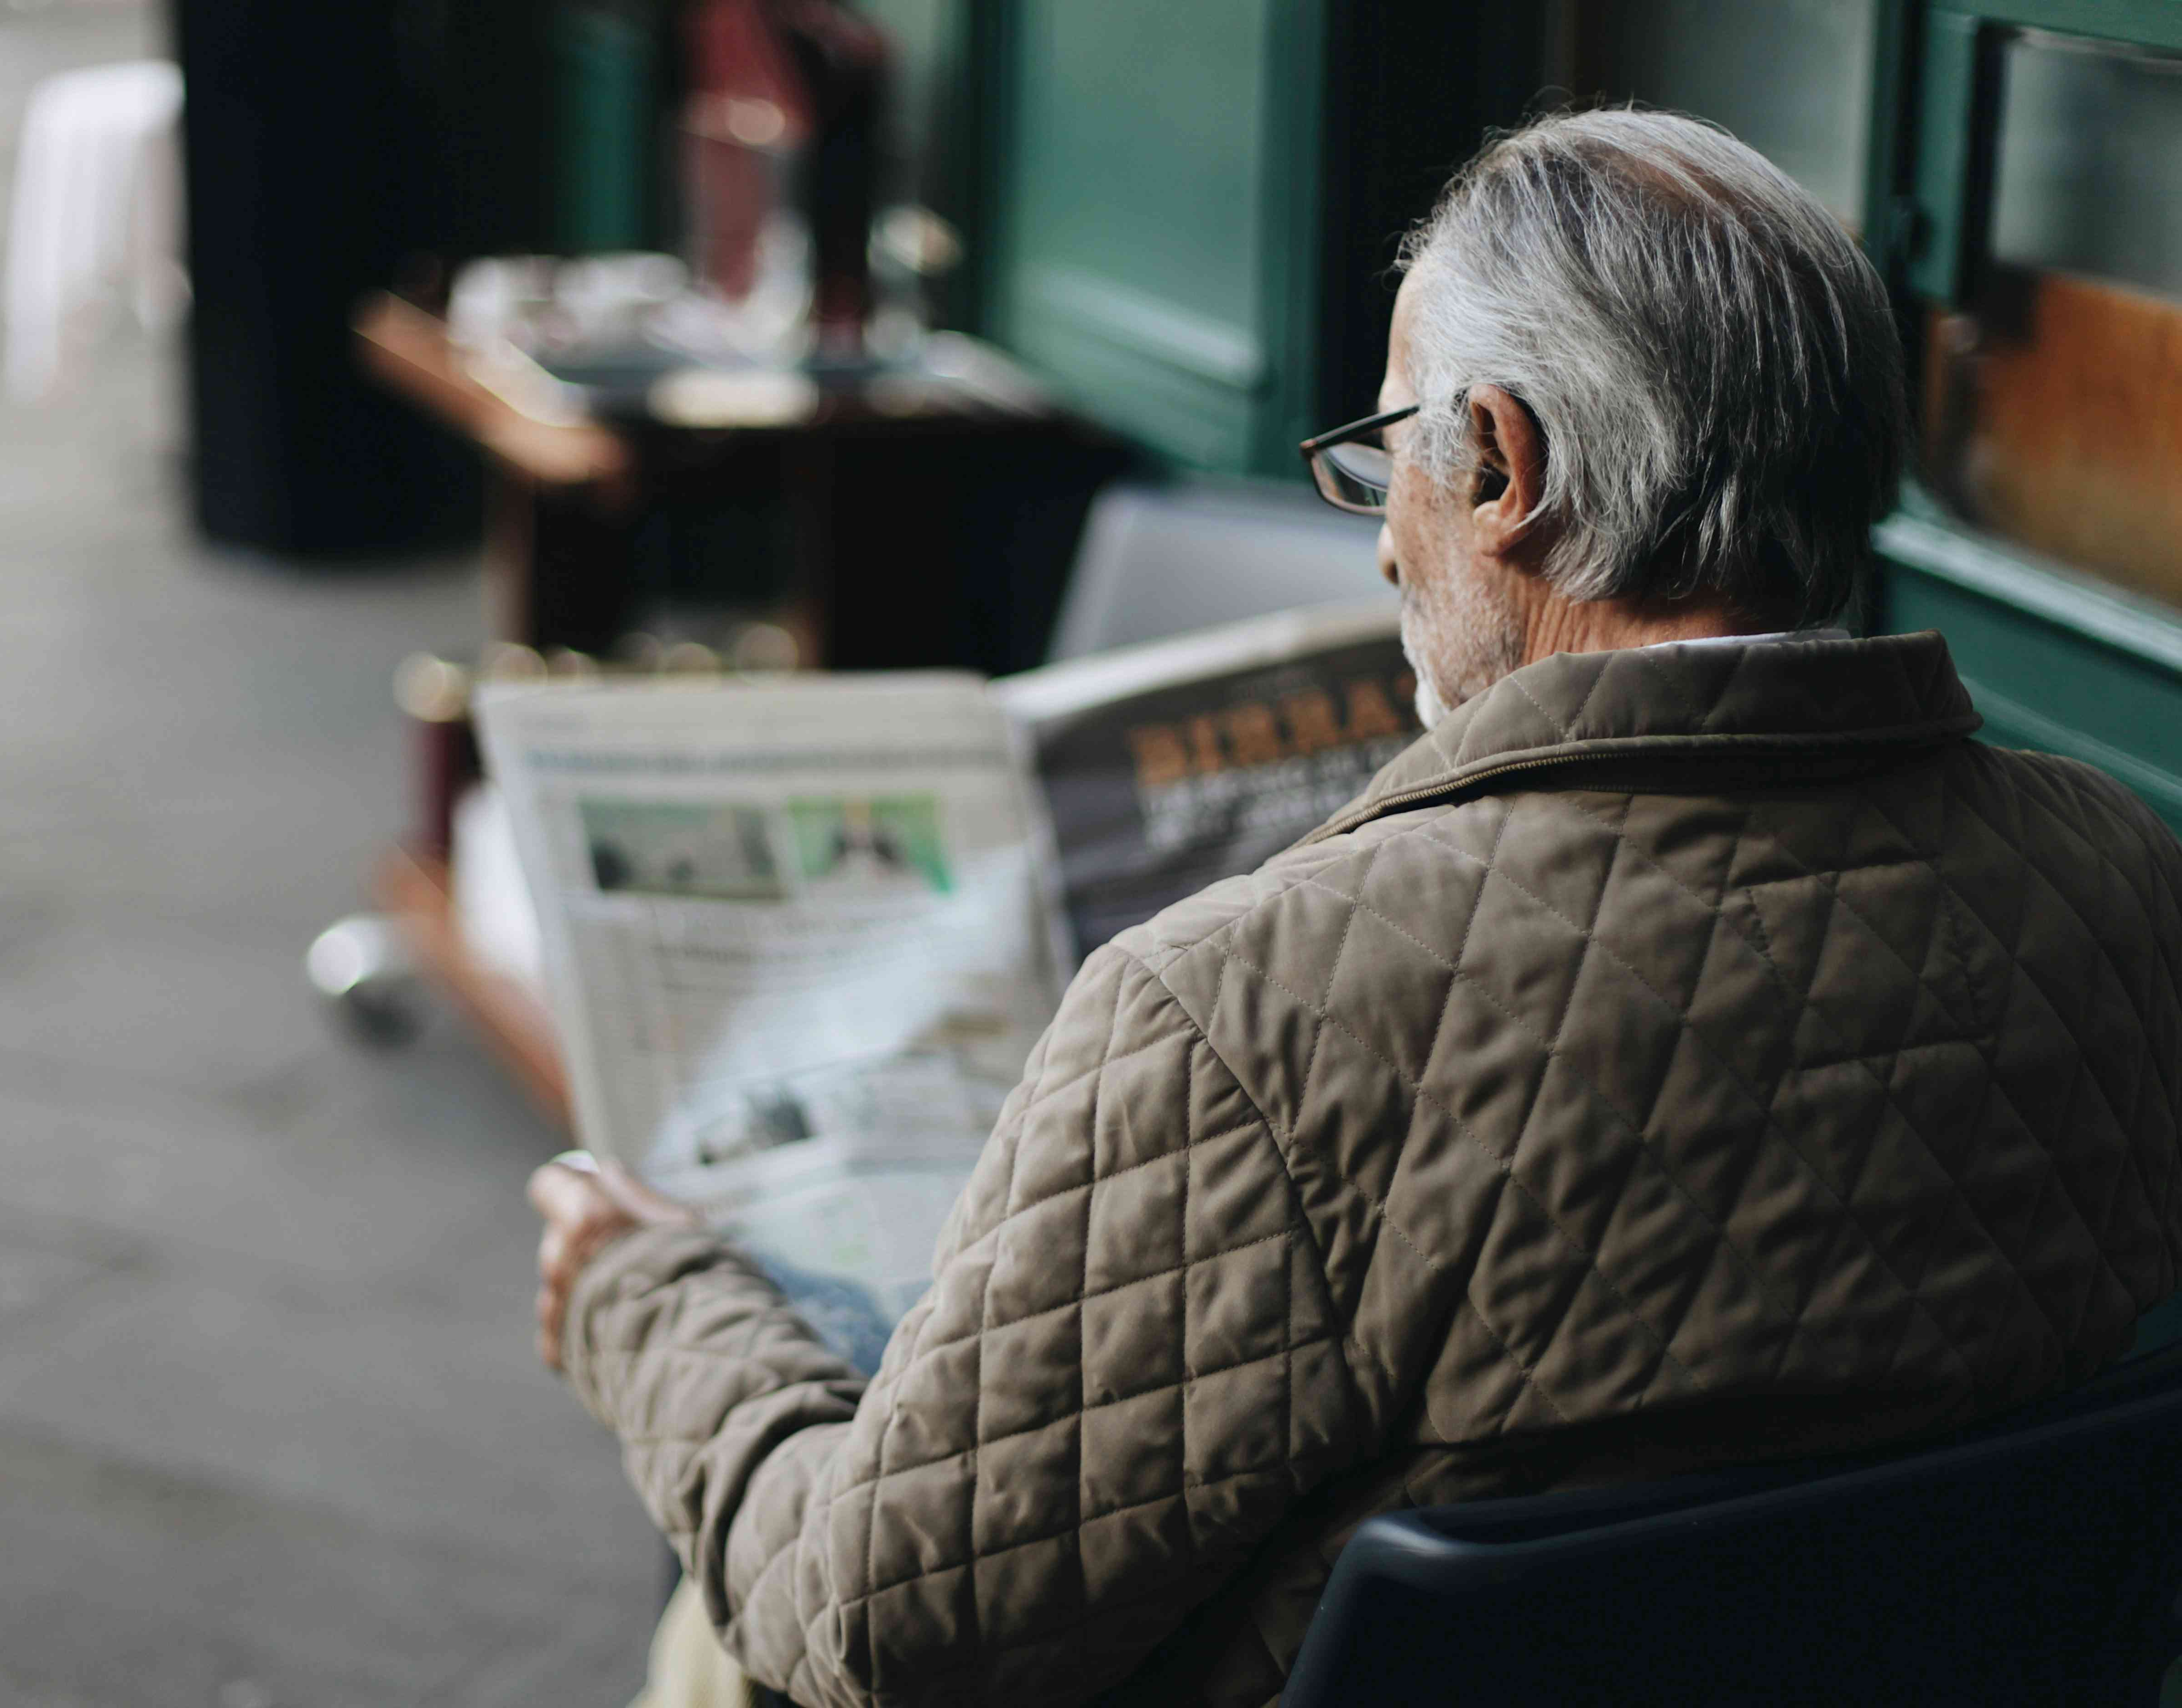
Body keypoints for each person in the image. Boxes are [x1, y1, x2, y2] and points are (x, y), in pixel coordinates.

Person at [525, 109, 2182, 1708]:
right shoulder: (2123, 875)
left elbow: (882, 1635)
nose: (1385, 547)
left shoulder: (1249, 1014)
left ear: (1503, 464)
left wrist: (643, 1299)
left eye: (1391, 445)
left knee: (735, 1612)